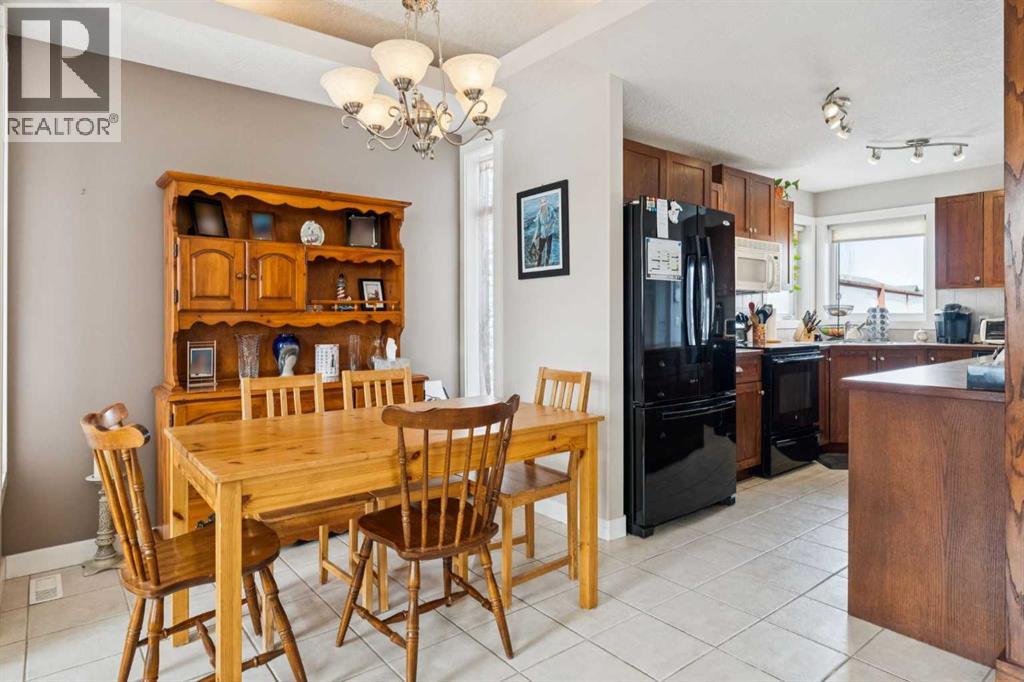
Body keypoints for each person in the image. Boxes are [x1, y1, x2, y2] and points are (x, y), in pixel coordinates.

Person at [535, 197, 559, 267]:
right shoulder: (539, 213)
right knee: (540, 250)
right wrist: (537, 235)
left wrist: (550, 224)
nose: (544, 205)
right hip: (542, 234)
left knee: (548, 249)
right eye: (542, 203)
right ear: (541, 204)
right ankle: (538, 264)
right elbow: (538, 225)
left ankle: (547, 263)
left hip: (549, 233)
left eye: (545, 203)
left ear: (547, 203)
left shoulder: (551, 209)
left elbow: (555, 218)